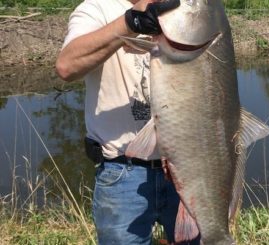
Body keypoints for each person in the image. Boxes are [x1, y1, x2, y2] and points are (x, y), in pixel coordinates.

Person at [56, 0, 200, 244]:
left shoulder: (180, 8)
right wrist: (129, 22)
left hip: (186, 169)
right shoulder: (96, 8)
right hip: (121, 172)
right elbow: (66, 67)